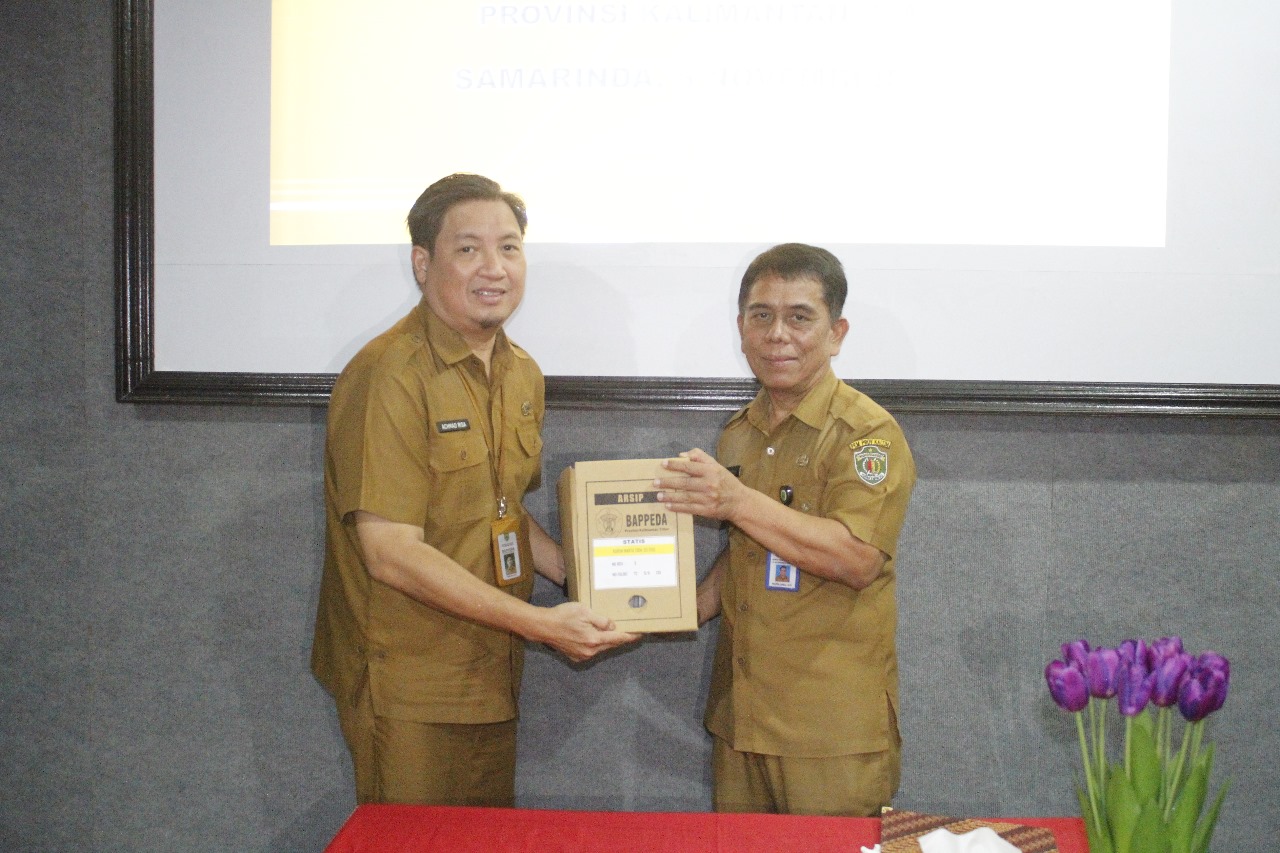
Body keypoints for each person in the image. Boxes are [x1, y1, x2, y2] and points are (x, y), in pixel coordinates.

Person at [311, 173, 637, 807]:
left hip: (489, 666)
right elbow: (390, 552)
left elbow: (504, 508)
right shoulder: (389, 374)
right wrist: (542, 625)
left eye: (509, 247)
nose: (494, 267)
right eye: (469, 249)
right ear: (422, 263)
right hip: (408, 677)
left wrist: (589, 580)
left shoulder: (521, 373)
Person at [655, 243, 916, 816]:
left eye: (800, 317)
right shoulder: (739, 434)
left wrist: (737, 499)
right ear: (742, 328)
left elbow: (856, 558)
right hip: (742, 720)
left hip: (828, 731)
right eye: (761, 315)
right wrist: (668, 607)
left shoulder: (867, 434)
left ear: (836, 332)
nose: (778, 335)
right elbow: (746, 551)